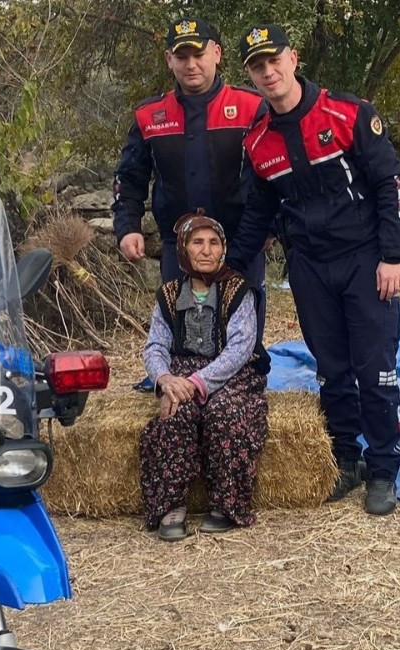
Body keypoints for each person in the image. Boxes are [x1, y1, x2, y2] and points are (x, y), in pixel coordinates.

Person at [227, 25, 400, 516]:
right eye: (256, 66)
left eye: (274, 60)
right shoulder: (258, 140)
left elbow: (391, 183)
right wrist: (229, 270)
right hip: (308, 268)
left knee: (375, 368)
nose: (268, 72)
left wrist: (392, 256)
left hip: (366, 261)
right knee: (332, 370)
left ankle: (384, 468)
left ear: (293, 58)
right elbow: (257, 214)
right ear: (248, 74)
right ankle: (346, 460)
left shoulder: (348, 113)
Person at [112, 16, 269, 379]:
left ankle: (243, 396)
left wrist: (272, 227)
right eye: (181, 56)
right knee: (182, 334)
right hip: (176, 246)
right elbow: (129, 177)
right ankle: (181, 395)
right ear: (169, 59)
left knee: (242, 334)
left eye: (198, 54)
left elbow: (272, 176)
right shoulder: (149, 115)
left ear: (217, 54)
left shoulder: (251, 106)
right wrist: (127, 226)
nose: (191, 64)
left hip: (241, 242)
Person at [138, 210, 270, 541]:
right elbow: (155, 346)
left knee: (223, 413)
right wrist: (165, 380)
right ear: (184, 248)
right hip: (180, 375)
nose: (206, 250)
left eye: (214, 242)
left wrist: (196, 384)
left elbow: (240, 350)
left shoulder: (240, 290)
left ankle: (227, 504)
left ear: (223, 249)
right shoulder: (169, 294)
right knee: (176, 412)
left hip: (233, 375)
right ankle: (171, 504)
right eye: (197, 242)